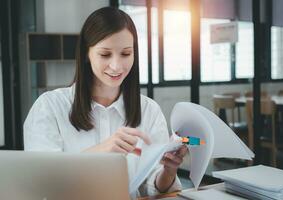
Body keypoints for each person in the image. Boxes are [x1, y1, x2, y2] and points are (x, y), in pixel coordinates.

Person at [23, 7, 188, 197]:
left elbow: (149, 188)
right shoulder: (49, 107)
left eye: (126, 54)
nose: (116, 66)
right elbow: (43, 185)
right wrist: (100, 151)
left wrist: (168, 172)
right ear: (87, 53)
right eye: (105, 54)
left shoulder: (149, 110)